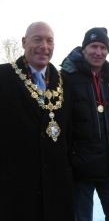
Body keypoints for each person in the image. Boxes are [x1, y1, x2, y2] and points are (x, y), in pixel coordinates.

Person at [0, 22, 74, 221]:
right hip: (16, 189)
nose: (44, 46)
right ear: (24, 43)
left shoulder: (66, 82)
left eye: (49, 41)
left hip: (57, 191)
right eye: (37, 39)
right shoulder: (3, 76)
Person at [60, 27, 109, 221]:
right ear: (84, 49)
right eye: (93, 46)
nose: (98, 52)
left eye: (103, 47)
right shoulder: (67, 79)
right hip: (81, 170)